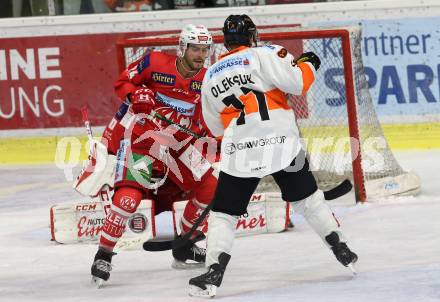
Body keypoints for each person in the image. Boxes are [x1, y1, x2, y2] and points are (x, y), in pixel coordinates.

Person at [187, 15, 358, 298]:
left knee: (224, 215)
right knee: (309, 201)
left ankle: (213, 271)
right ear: (252, 35)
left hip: (241, 149)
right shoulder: (266, 53)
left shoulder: (212, 72)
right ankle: (340, 247)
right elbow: (297, 83)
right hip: (282, 143)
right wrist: (308, 64)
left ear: (226, 40)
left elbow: (214, 124)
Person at [90, 24, 219, 287]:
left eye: (205, 50)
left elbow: (209, 117)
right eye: (195, 48)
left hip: (179, 143)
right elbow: (122, 82)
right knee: (128, 199)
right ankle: (103, 254)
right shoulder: (154, 61)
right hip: (142, 140)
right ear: (183, 47)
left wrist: (207, 133)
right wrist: (136, 94)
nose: (200, 54)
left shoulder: (208, 78)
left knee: (210, 187)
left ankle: (186, 243)